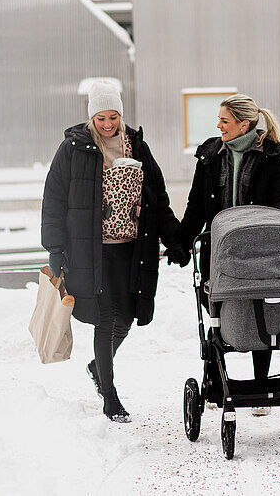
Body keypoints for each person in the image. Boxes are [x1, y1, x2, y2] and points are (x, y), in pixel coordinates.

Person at [41, 81, 188, 423]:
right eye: (101, 118)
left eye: (113, 117)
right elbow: (54, 201)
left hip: (131, 250)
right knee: (106, 319)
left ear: (120, 115)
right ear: (91, 117)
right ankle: (110, 396)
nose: (108, 124)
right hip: (91, 251)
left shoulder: (137, 146)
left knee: (126, 317)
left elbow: (158, 198)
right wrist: (55, 249)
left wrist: (175, 239)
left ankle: (98, 366)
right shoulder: (74, 149)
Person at [178, 94, 280, 415]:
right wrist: (180, 243)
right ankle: (217, 378)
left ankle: (261, 383)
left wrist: (262, 228)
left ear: (244, 124)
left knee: (261, 312)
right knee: (217, 311)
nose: (218, 126)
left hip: (259, 252)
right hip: (217, 253)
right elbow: (196, 207)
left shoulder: (272, 159)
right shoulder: (211, 157)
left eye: (225, 121)